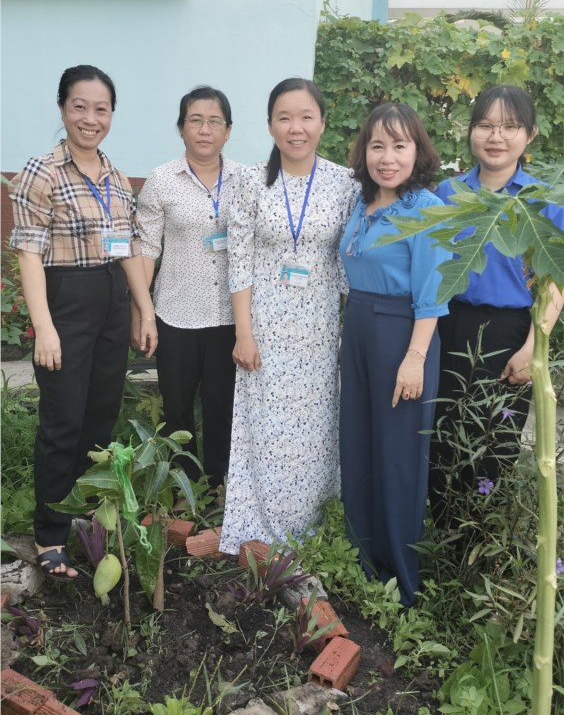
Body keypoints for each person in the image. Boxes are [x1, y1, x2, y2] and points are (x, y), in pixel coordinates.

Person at [9, 64, 158, 579]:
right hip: (66, 301)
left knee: (100, 415)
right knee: (63, 421)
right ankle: (49, 533)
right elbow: (29, 253)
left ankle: (80, 511)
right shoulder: (42, 172)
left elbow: (129, 247)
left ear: (112, 114)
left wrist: (143, 308)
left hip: (113, 300)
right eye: (80, 107)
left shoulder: (115, 176)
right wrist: (45, 326)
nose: (91, 119)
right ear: (62, 108)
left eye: (101, 109)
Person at [219, 77, 355, 554]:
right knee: (266, 425)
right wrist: (243, 332)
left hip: (320, 327)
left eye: (306, 117)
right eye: (285, 118)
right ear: (270, 125)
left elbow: (348, 261)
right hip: (265, 327)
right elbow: (238, 259)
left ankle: (313, 526)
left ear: (322, 123)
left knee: (317, 427)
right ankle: (260, 525)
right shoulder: (249, 181)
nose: (296, 128)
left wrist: (349, 330)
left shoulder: (345, 183)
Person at [429, 84, 564, 527]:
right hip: (448, 326)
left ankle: (479, 545)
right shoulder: (448, 192)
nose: (496, 137)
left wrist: (533, 347)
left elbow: (557, 283)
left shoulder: (545, 200)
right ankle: (439, 545)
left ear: (531, 134)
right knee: (440, 440)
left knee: (495, 444)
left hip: (511, 333)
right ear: (470, 131)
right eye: (485, 125)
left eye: (509, 127)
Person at [339, 102, 450, 607]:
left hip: (404, 334)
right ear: (364, 152)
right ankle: (365, 560)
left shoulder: (426, 207)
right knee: (360, 442)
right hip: (360, 328)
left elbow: (433, 293)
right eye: (377, 146)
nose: (387, 158)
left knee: (399, 454)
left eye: (399, 146)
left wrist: (414, 358)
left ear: (416, 151)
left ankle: (403, 579)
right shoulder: (359, 202)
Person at [135, 86, 241, 486]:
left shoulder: (245, 180)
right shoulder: (162, 180)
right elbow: (146, 248)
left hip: (229, 316)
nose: (204, 129)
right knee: (177, 410)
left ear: (228, 130)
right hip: (176, 315)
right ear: (181, 127)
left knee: (222, 407)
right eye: (195, 120)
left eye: (214, 121)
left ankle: (219, 488)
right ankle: (182, 487)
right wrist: (143, 312)